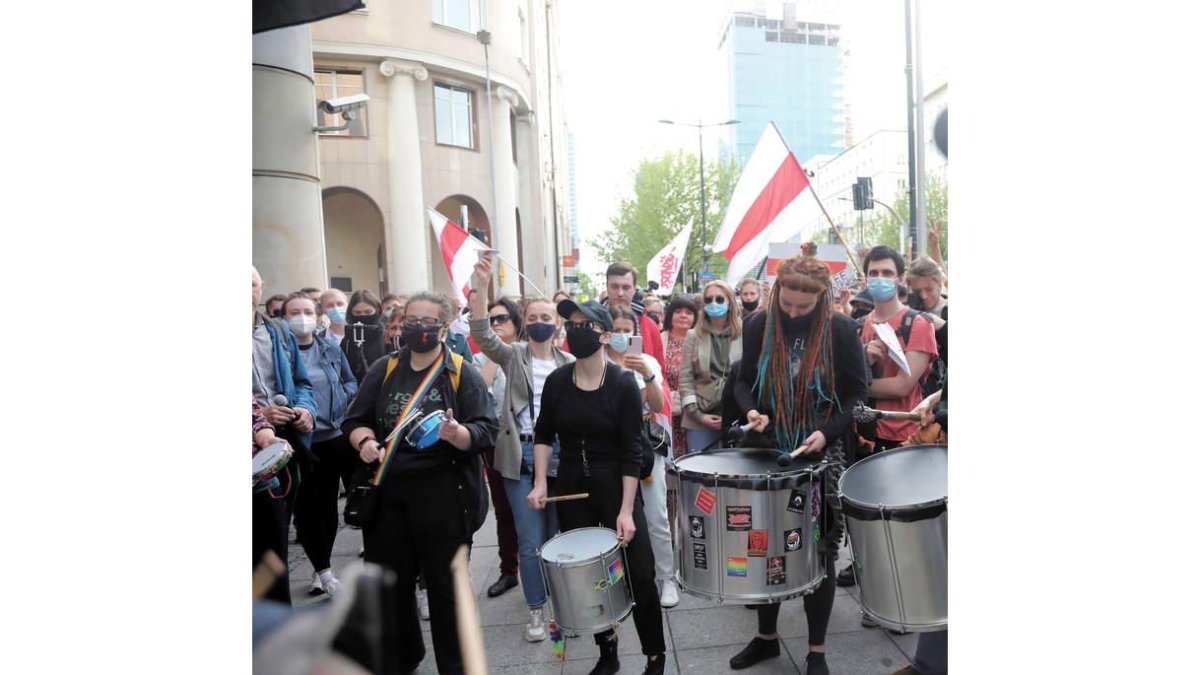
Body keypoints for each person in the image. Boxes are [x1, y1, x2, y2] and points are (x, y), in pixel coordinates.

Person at [728, 253, 871, 675]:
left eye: (801, 308)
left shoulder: (841, 329)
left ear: (822, 300)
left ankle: (817, 651)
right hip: (769, 449)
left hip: (820, 452)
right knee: (765, 546)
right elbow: (741, 380)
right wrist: (752, 411)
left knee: (818, 552)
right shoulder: (758, 325)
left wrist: (827, 432)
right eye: (785, 304)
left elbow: (858, 394)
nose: (791, 313)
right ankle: (766, 638)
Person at [342, 291, 499, 675]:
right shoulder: (385, 368)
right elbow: (355, 419)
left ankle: (456, 666)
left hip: (445, 497)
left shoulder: (461, 371)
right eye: (411, 320)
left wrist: (456, 433)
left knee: (448, 593)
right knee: (391, 589)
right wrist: (364, 442)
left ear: (443, 328)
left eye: (427, 322)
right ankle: (402, 658)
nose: (418, 328)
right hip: (389, 497)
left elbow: (487, 429)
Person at [527, 299, 667, 675]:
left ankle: (655, 655)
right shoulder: (558, 380)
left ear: (605, 335)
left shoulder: (622, 382)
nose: (575, 329)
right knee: (589, 574)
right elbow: (543, 434)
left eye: (585, 324)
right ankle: (608, 652)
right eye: (570, 322)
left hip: (616, 483)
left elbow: (632, 449)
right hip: (573, 482)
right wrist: (540, 482)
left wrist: (625, 510)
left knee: (639, 573)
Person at [469, 257, 576, 640]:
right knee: (530, 541)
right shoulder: (514, 355)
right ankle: (536, 610)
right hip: (520, 456)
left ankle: (564, 607)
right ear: (524, 322)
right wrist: (481, 287)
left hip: (561, 457)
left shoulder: (570, 362)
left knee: (558, 538)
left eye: (546, 316)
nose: (539, 322)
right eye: (532, 317)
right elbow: (482, 332)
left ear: (557, 323)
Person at [840, 246, 939, 597]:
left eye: (886, 273)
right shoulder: (858, 327)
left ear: (899, 278)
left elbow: (902, 385)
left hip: (907, 436)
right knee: (867, 515)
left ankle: (903, 591)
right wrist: (863, 362)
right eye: (873, 273)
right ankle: (875, 581)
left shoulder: (917, 323)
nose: (879, 280)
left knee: (901, 521)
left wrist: (862, 382)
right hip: (864, 435)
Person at [282, 293, 359, 598]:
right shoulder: (282, 354)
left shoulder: (329, 348)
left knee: (360, 497)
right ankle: (323, 571)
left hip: (338, 435)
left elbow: (352, 381)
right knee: (318, 510)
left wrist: (341, 396)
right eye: (294, 312)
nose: (302, 317)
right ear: (284, 319)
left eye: (307, 311)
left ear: (316, 317)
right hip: (306, 443)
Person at [605, 303, 679, 608]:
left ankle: (667, 578)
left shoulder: (646, 360)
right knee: (613, 516)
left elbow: (659, 403)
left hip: (646, 446)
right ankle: (620, 580)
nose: (622, 337)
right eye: (616, 331)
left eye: (628, 331)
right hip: (609, 447)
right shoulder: (597, 362)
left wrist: (647, 374)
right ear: (605, 334)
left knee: (656, 515)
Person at [252, 267, 317, 606]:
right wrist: (259, 417)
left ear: (261, 288)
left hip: (282, 444)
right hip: (254, 439)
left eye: (251, 283)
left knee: (275, 534)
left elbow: (302, 382)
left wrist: (305, 410)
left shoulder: (276, 332)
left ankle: (276, 622)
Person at [471, 295, 523, 603]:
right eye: (491, 320)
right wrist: (493, 351)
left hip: (529, 444)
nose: (495, 325)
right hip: (496, 445)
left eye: (501, 319)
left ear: (516, 322)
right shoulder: (480, 359)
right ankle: (508, 570)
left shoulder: (528, 353)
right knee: (504, 511)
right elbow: (479, 391)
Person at [678, 280, 743, 452]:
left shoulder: (744, 333)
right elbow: (685, 377)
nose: (714, 303)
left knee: (732, 474)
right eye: (709, 300)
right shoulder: (693, 335)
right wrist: (698, 415)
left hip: (735, 415)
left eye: (720, 299)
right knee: (701, 473)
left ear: (730, 303)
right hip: (700, 414)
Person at [660, 295, 699, 540]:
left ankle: (691, 530)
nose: (683, 316)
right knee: (668, 479)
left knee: (691, 474)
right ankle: (669, 532)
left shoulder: (701, 341)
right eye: (678, 311)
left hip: (694, 420)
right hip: (667, 419)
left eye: (689, 312)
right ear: (670, 315)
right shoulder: (661, 339)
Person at [342, 289, 388, 384]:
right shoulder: (347, 340)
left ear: (378, 310)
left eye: (368, 312)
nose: (363, 316)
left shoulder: (387, 336)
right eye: (358, 313)